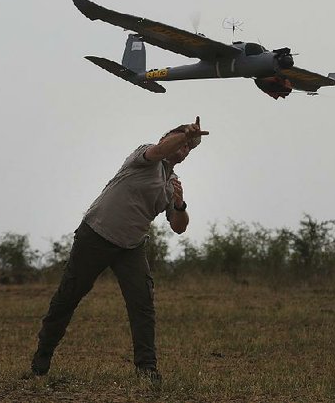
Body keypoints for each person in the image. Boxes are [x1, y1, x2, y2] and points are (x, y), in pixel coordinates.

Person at [31, 117, 209, 382]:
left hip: (132, 246)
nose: (184, 148)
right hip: (97, 234)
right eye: (181, 141)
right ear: (167, 138)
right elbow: (161, 150)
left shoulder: (172, 184)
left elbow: (179, 227)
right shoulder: (144, 155)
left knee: (143, 304)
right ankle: (42, 358)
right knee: (69, 295)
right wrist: (185, 133)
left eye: (188, 148)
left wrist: (180, 204)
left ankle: (147, 370)